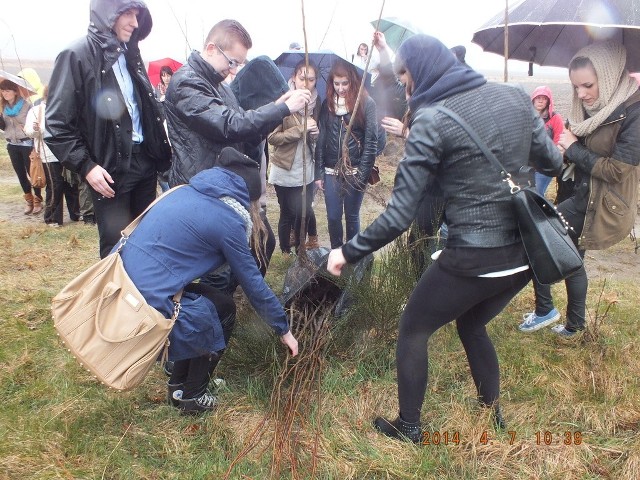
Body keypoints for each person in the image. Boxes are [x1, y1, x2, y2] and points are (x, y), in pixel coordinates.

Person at [326, 34, 562, 442]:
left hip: (474, 256)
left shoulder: (431, 119)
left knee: (414, 328)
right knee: (472, 324)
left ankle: (410, 427)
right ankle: (492, 411)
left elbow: (400, 215)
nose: (405, 87)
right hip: (524, 255)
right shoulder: (515, 97)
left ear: (421, 72)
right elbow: (553, 162)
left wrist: (346, 251)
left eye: (405, 78)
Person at [118, 147, 298, 414]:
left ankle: (179, 384)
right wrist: (283, 329)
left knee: (213, 302)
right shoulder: (227, 220)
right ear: (246, 195)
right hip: (145, 304)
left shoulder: (186, 192)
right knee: (217, 312)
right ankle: (194, 396)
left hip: (128, 287)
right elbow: (253, 283)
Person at [519, 41, 640, 336]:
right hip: (577, 192)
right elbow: (579, 148)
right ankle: (571, 324)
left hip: (603, 201)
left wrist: (573, 147)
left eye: (587, 85)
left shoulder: (634, 113)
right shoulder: (591, 108)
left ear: (609, 76)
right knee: (570, 255)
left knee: (541, 238)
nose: (581, 94)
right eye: (575, 87)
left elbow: (616, 170)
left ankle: (548, 311)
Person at [45, 0, 172, 258]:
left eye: (137, 15)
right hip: (109, 172)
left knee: (146, 241)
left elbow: (143, 112)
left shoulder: (131, 55)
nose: (135, 23)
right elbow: (57, 125)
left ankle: (142, 297)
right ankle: (114, 298)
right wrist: (86, 167)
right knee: (116, 249)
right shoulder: (76, 55)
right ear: (107, 13)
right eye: (127, 13)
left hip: (145, 163)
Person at [164, 19, 310, 188]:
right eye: (231, 62)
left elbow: (243, 133)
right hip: (197, 187)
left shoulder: (220, 86)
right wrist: (281, 109)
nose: (233, 70)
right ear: (211, 49)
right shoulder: (186, 83)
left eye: (238, 64)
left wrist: (277, 108)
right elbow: (229, 125)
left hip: (218, 182)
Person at [315, 60, 377, 249]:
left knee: (351, 217)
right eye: (336, 83)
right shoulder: (327, 105)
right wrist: (319, 173)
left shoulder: (366, 103)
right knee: (333, 217)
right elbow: (321, 138)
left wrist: (362, 174)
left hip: (355, 171)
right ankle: (336, 253)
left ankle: (352, 256)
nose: (340, 88)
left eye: (345, 83)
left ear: (353, 81)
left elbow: (371, 141)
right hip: (331, 170)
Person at [268, 60, 321, 254]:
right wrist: (301, 129)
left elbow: (315, 137)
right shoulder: (284, 103)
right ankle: (284, 250)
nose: (306, 83)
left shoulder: (316, 104)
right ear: (294, 78)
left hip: (306, 168)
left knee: (304, 213)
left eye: (311, 79)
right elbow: (272, 137)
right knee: (287, 213)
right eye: (302, 78)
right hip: (284, 168)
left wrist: (315, 135)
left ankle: (301, 250)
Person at [24, 85, 80, 226]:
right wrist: (36, 129)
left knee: (71, 183)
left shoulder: (65, 109)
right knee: (55, 185)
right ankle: (52, 218)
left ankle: (76, 213)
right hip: (48, 155)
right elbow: (29, 132)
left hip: (67, 153)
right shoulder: (36, 111)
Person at [0, 79, 42, 214]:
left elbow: (34, 122)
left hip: (26, 143)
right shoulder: (2, 107)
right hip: (12, 144)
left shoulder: (26, 105)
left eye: (7, 91)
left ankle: (37, 200)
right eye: (2, 91)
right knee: (20, 174)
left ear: (14, 91)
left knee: (32, 173)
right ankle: (28, 200)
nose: (4, 94)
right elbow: (3, 127)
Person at [530, 86, 564, 197]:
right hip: (527, 164)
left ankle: (539, 213)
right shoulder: (526, 116)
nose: (540, 100)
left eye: (544, 98)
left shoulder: (555, 118)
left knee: (537, 194)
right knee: (526, 192)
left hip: (545, 164)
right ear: (533, 99)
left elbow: (559, 140)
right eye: (538, 97)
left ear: (548, 101)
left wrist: (550, 158)